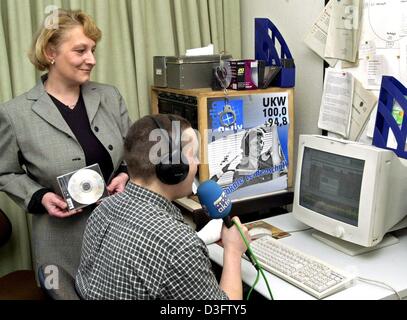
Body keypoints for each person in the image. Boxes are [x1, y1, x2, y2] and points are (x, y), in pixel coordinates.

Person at [0, 9, 132, 278]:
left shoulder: (110, 96)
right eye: (81, 50)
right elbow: (5, 172)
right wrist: (40, 197)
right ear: (51, 52)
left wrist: (125, 174)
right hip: (62, 251)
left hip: (120, 235)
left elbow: (131, 151)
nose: (91, 59)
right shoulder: (15, 113)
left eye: (93, 50)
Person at [75, 114, 251, 299]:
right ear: (174, 167)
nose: (198, 163)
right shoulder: (179, 245)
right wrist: (233, 251)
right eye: (193, 155)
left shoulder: (104, 209)